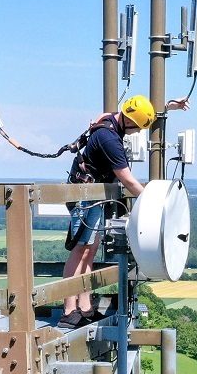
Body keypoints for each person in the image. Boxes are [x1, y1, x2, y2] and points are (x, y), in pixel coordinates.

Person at [57, 93, 188, 328]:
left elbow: (133, 112)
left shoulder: (110, 120)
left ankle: (84, 307)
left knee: (90, 250)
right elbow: (127, 180)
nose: (137, 132)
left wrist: (168, 106)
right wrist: (154, 202)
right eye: (137, 127)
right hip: (84, 197)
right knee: (80, 250)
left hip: (92, 195)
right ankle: (69, 311)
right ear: (128, 121)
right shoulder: (109, 139)